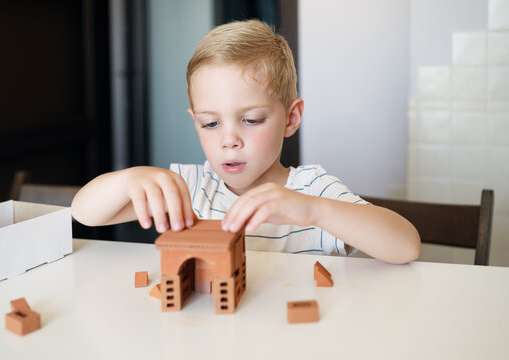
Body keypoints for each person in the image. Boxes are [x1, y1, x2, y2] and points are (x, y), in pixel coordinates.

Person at [72, 19, 420, 264]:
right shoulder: (189, 188)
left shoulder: (311, 190)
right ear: (195, 122)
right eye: (210, 123)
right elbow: (84, 213)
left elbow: (406, 246)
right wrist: (130, 178)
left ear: (291, 118)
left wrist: (314, 210)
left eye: (251, 120)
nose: (229, 140)